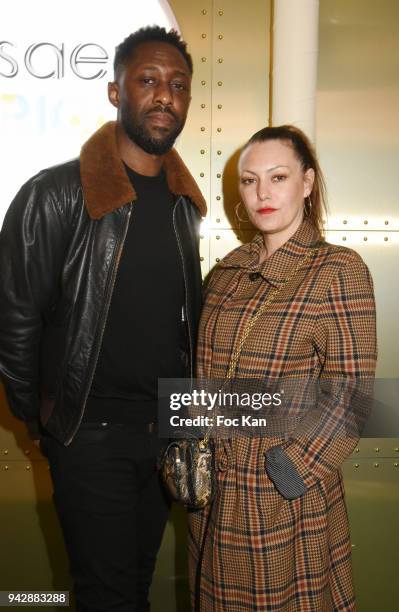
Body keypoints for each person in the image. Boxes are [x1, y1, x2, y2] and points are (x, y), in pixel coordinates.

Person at [0, 26, 206, 612]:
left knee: (132, 588)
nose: (165, 95)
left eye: (178, 84)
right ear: (117, 92)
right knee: (109, 598)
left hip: (163, 436)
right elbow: (14, 319)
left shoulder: (184, 206)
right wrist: (42, 414)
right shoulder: (53, 194)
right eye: (148, 80)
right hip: (91, 439)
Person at [188, 126, 377, 611]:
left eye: (278, 177)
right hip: (212, 494)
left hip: (282, 496)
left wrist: (288, 470)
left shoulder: (337, 269)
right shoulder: (227, 272)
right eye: (249, 181)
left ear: (308, 183)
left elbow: (351, 396)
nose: (263, 193)